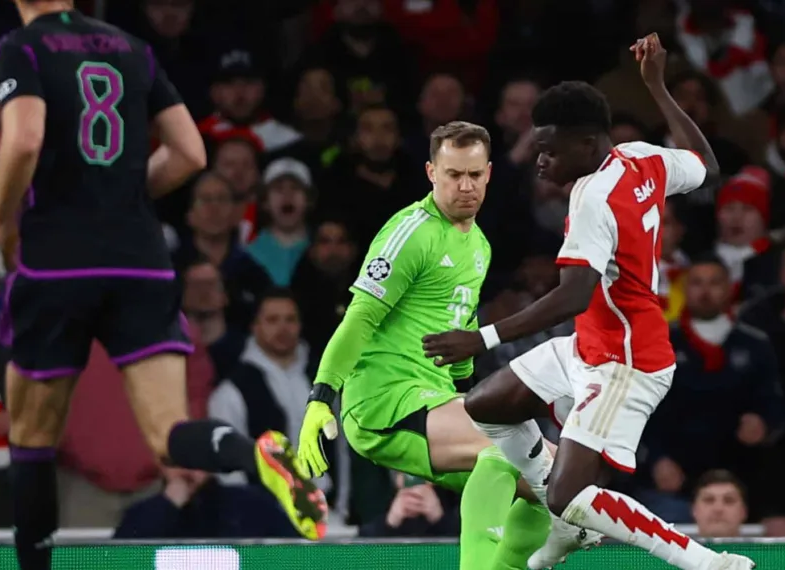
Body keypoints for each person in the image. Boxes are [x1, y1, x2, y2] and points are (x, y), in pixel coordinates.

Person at [0, 3, 326, 569]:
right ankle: (254, 455)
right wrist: (123, 200)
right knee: (169, 434)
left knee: (32, 437)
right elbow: (190, 154)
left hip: (57, 262)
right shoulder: (133, 49)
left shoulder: (20, 46)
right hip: (142, 260)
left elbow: (26, 137)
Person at [421, 34, 754, 570]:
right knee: (487, 406)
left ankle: (703, 561)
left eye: (550, 148)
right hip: (590, 346)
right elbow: (706, 165)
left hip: (627, 361)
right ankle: (566, 525)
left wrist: (481, 336)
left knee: (569, 494)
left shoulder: (593, 196)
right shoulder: (640, 158)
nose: (540, 159)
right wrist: (657, 88)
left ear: (587, 141)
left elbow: (573, 295)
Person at [293, 121, 554, 570]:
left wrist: (466, 393)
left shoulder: (480, 246)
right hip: (384, 398)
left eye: (474, 175)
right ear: (432, 172)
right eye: (454, 174)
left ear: (489, 173)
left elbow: (459, 340)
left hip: (432, 397)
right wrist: (321, 398)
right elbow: (359, 318)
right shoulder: (412, 231)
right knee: (506, 448)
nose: (465, 186)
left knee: (553, 480)